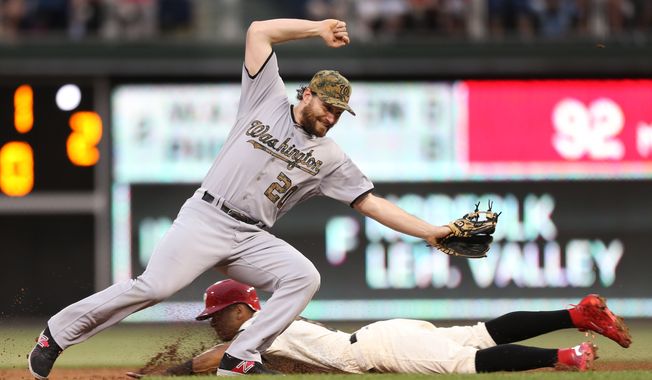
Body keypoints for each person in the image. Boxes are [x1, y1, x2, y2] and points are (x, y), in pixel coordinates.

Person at [28, 18, 456, 379]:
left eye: (339, 113)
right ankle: (56, 335)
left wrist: (433, 232)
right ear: (306, 93)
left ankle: (240, 355)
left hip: (251, 235)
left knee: (304, 277)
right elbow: (257, 32)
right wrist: (317, 29)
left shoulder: (330, 156)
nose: (332, 116)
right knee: (154, 286)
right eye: (327, 106)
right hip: (207, 217)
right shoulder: (265, 98)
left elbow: (371, 203)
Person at [127, 279, 632, 376]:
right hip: (384, 334)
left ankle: (565, 357)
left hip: (379, 348)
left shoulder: (255, 330)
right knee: (480, 334)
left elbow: (217, 362)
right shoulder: (269, 323)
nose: (213, 325)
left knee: (467, 360)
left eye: (217, 315)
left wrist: (164, 376)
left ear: (240, 311)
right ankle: (575, 314)